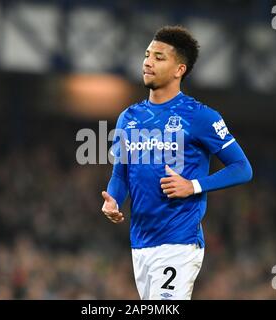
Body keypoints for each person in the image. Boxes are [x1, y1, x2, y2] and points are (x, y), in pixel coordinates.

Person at [101, 25, 252, 300]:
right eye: (147, 55)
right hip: (140, 243)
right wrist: (113, 199)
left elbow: (242, 168)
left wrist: (192, 186)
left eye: (159, 57)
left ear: (179, 69)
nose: (148, 61)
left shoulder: (201, 117)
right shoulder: (128, 117)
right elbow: (121, 174)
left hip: (178, 242)